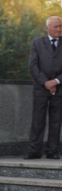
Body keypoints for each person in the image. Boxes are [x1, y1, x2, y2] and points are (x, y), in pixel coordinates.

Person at [27, 15, 62, 159]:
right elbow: (33, 65)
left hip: (59, 88)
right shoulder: (37, 43)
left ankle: (52, 151)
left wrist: (56, 81)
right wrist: (45, 82)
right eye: (56, 27)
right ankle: (34, 150)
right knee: (38, 120)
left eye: (60, 26)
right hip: (41, 88)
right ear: (47, 28)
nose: (59, 29)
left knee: (56, 120)